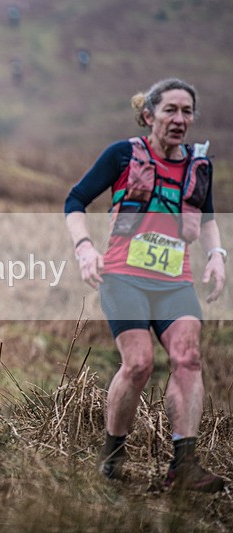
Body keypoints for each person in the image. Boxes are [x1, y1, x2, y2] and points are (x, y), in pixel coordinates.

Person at [64, 78, 226, 492]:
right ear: (149, 115)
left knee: (187, 358)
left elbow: (206, 221)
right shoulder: (122, 155)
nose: (180, 119)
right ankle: (112, 456)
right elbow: (75, 201)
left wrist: (218, 258)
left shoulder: (198, 166)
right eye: (171, 110)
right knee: (137, 364)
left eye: (187, 111)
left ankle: (184, 465)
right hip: (123, 277)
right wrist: (84, 249)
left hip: (175, 283)